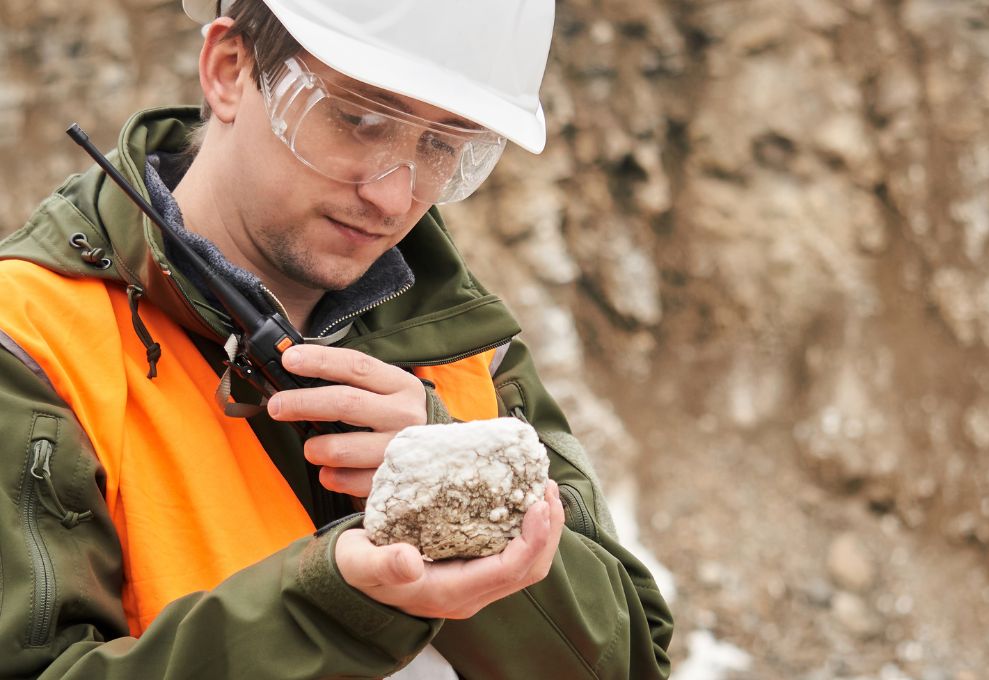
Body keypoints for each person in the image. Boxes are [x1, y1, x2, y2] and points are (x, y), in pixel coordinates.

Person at [0, 0, 673, 677]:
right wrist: (334, 606)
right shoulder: (31, 344)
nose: (391, 196)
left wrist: (470, 506)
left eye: (444, 145)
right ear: (229, 70)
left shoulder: (463, 351)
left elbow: (632, 661)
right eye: (358, 119)